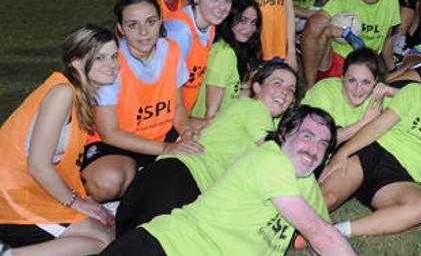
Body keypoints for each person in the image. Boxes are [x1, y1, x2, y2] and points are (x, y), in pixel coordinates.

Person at [100, 106, 355, 256]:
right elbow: (320, 234)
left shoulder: (307, 184)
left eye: (323, 144)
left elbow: (319, 232)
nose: (313, 149)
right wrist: (318, 235)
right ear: (284, 133)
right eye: (307, 136)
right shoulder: (271, 160)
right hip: (167, 248)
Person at [113, 62, 296, 236]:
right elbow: (273, 154)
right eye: (277, 83)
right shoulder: (256, 109)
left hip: (162, 178)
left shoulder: (242, 109)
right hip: (183, 179)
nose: (284, 91)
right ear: (256, 87)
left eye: (291, 89)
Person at [318, 51, 421, 238]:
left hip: (399, 177)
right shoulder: (415, 92)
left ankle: (338, 232)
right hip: (374, 152)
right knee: (328, 199)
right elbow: (378, 126)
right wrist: (342, 154)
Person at [0, 26, 118, 255]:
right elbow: (38, 164)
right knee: (102, 241)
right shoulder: (62, 94)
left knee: (106, 232)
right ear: (75, 62)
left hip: (30, 189)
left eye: (114, 56)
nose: (111, 64)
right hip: (11, 196)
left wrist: (82, 201)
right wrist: (77, 203)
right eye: (99, 58)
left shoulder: (78, 93)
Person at [81, 0, 202, 203]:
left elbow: (178, 107)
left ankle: (145, 180)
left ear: (160, 21)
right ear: (120, 29)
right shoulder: (111, 62)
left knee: (208, 146)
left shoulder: (171, 49)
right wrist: (166, 149)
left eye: (150, 21)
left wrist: (186, 131)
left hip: (161, 138)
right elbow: (109, 133)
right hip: (116, 146)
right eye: (133, 25)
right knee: (108, 181)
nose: (144, 32)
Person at [300, 0, 400, 88]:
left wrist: (392, 69)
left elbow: (387, 38)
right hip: (339, 57)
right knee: (316, 27)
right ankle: (311, 86)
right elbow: (317, 22)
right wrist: (345, 33)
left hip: (367, 60)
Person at [164, 0, 235, 113]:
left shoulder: (209, 25)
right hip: (165, 118)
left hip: (180, 113)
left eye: (228, 0)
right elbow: (164, 87)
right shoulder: (180, 33)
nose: (222, 7)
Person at [189, 0, 263, 120]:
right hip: (207, 127)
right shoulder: (224, 54)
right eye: (242, 20)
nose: (249, 28)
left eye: (253, 23)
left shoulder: (232, 49)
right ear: (229, 19)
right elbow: (211, 115)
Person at [302, 49, 398, 143]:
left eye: (366, 82)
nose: (358, 89)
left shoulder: (377, 96)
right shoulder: (325, 91)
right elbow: (315, 138)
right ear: (342, 77)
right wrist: (364, 123)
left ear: (375, 81)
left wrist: (393, 91)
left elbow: (412, 103)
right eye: (352, 80)